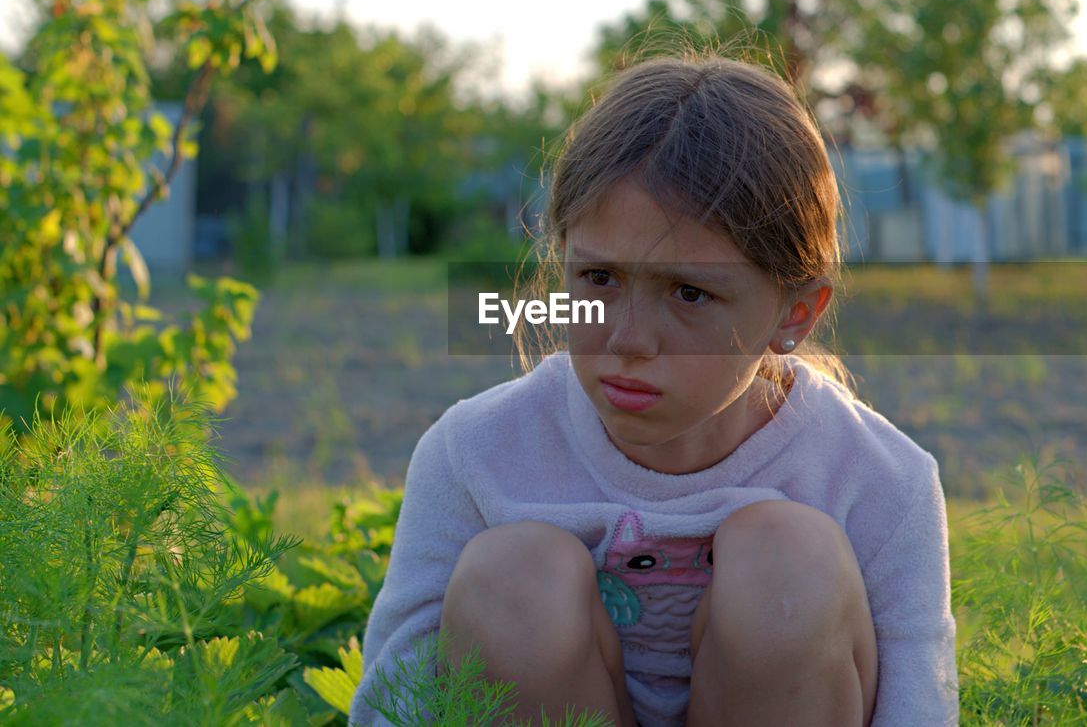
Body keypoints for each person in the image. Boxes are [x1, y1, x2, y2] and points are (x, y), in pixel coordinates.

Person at [349, 53, 959, 726]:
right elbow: (394, 707)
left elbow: (918, 710)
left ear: (795, 312)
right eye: (600, 279)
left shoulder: (880, 479)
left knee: (791, 559)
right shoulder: (474, 453)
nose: (628, 338)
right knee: (512, 572)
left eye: (690, 292)